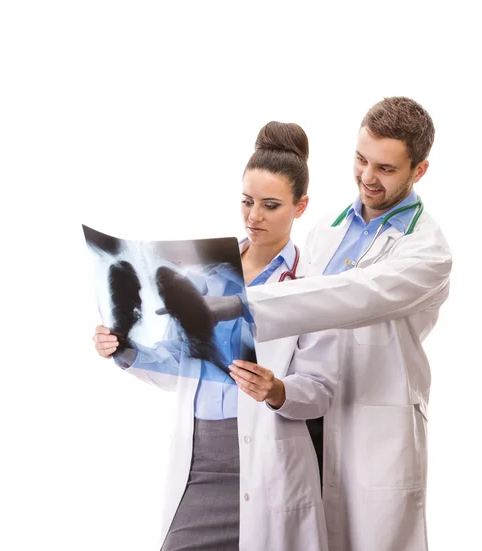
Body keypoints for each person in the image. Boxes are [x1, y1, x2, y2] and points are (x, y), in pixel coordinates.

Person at [207, 97, 452, 551]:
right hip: (304, 417)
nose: (367, 177)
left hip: (374, 426)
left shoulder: (427, 253)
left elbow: (349, 297)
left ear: (419, 171)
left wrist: (240, 305)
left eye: (386, 168)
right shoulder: (326, 230)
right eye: (361, 159)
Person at [92, 121, 338, 551]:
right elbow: (180, 360)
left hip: (268, 461)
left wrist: (276, 388)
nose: (254, 216)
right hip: (201, 459)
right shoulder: (206, 272)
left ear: (301, 207)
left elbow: (321, 390)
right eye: (246, 201)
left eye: (271, 205)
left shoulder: (311, 283)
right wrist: (127, 348)